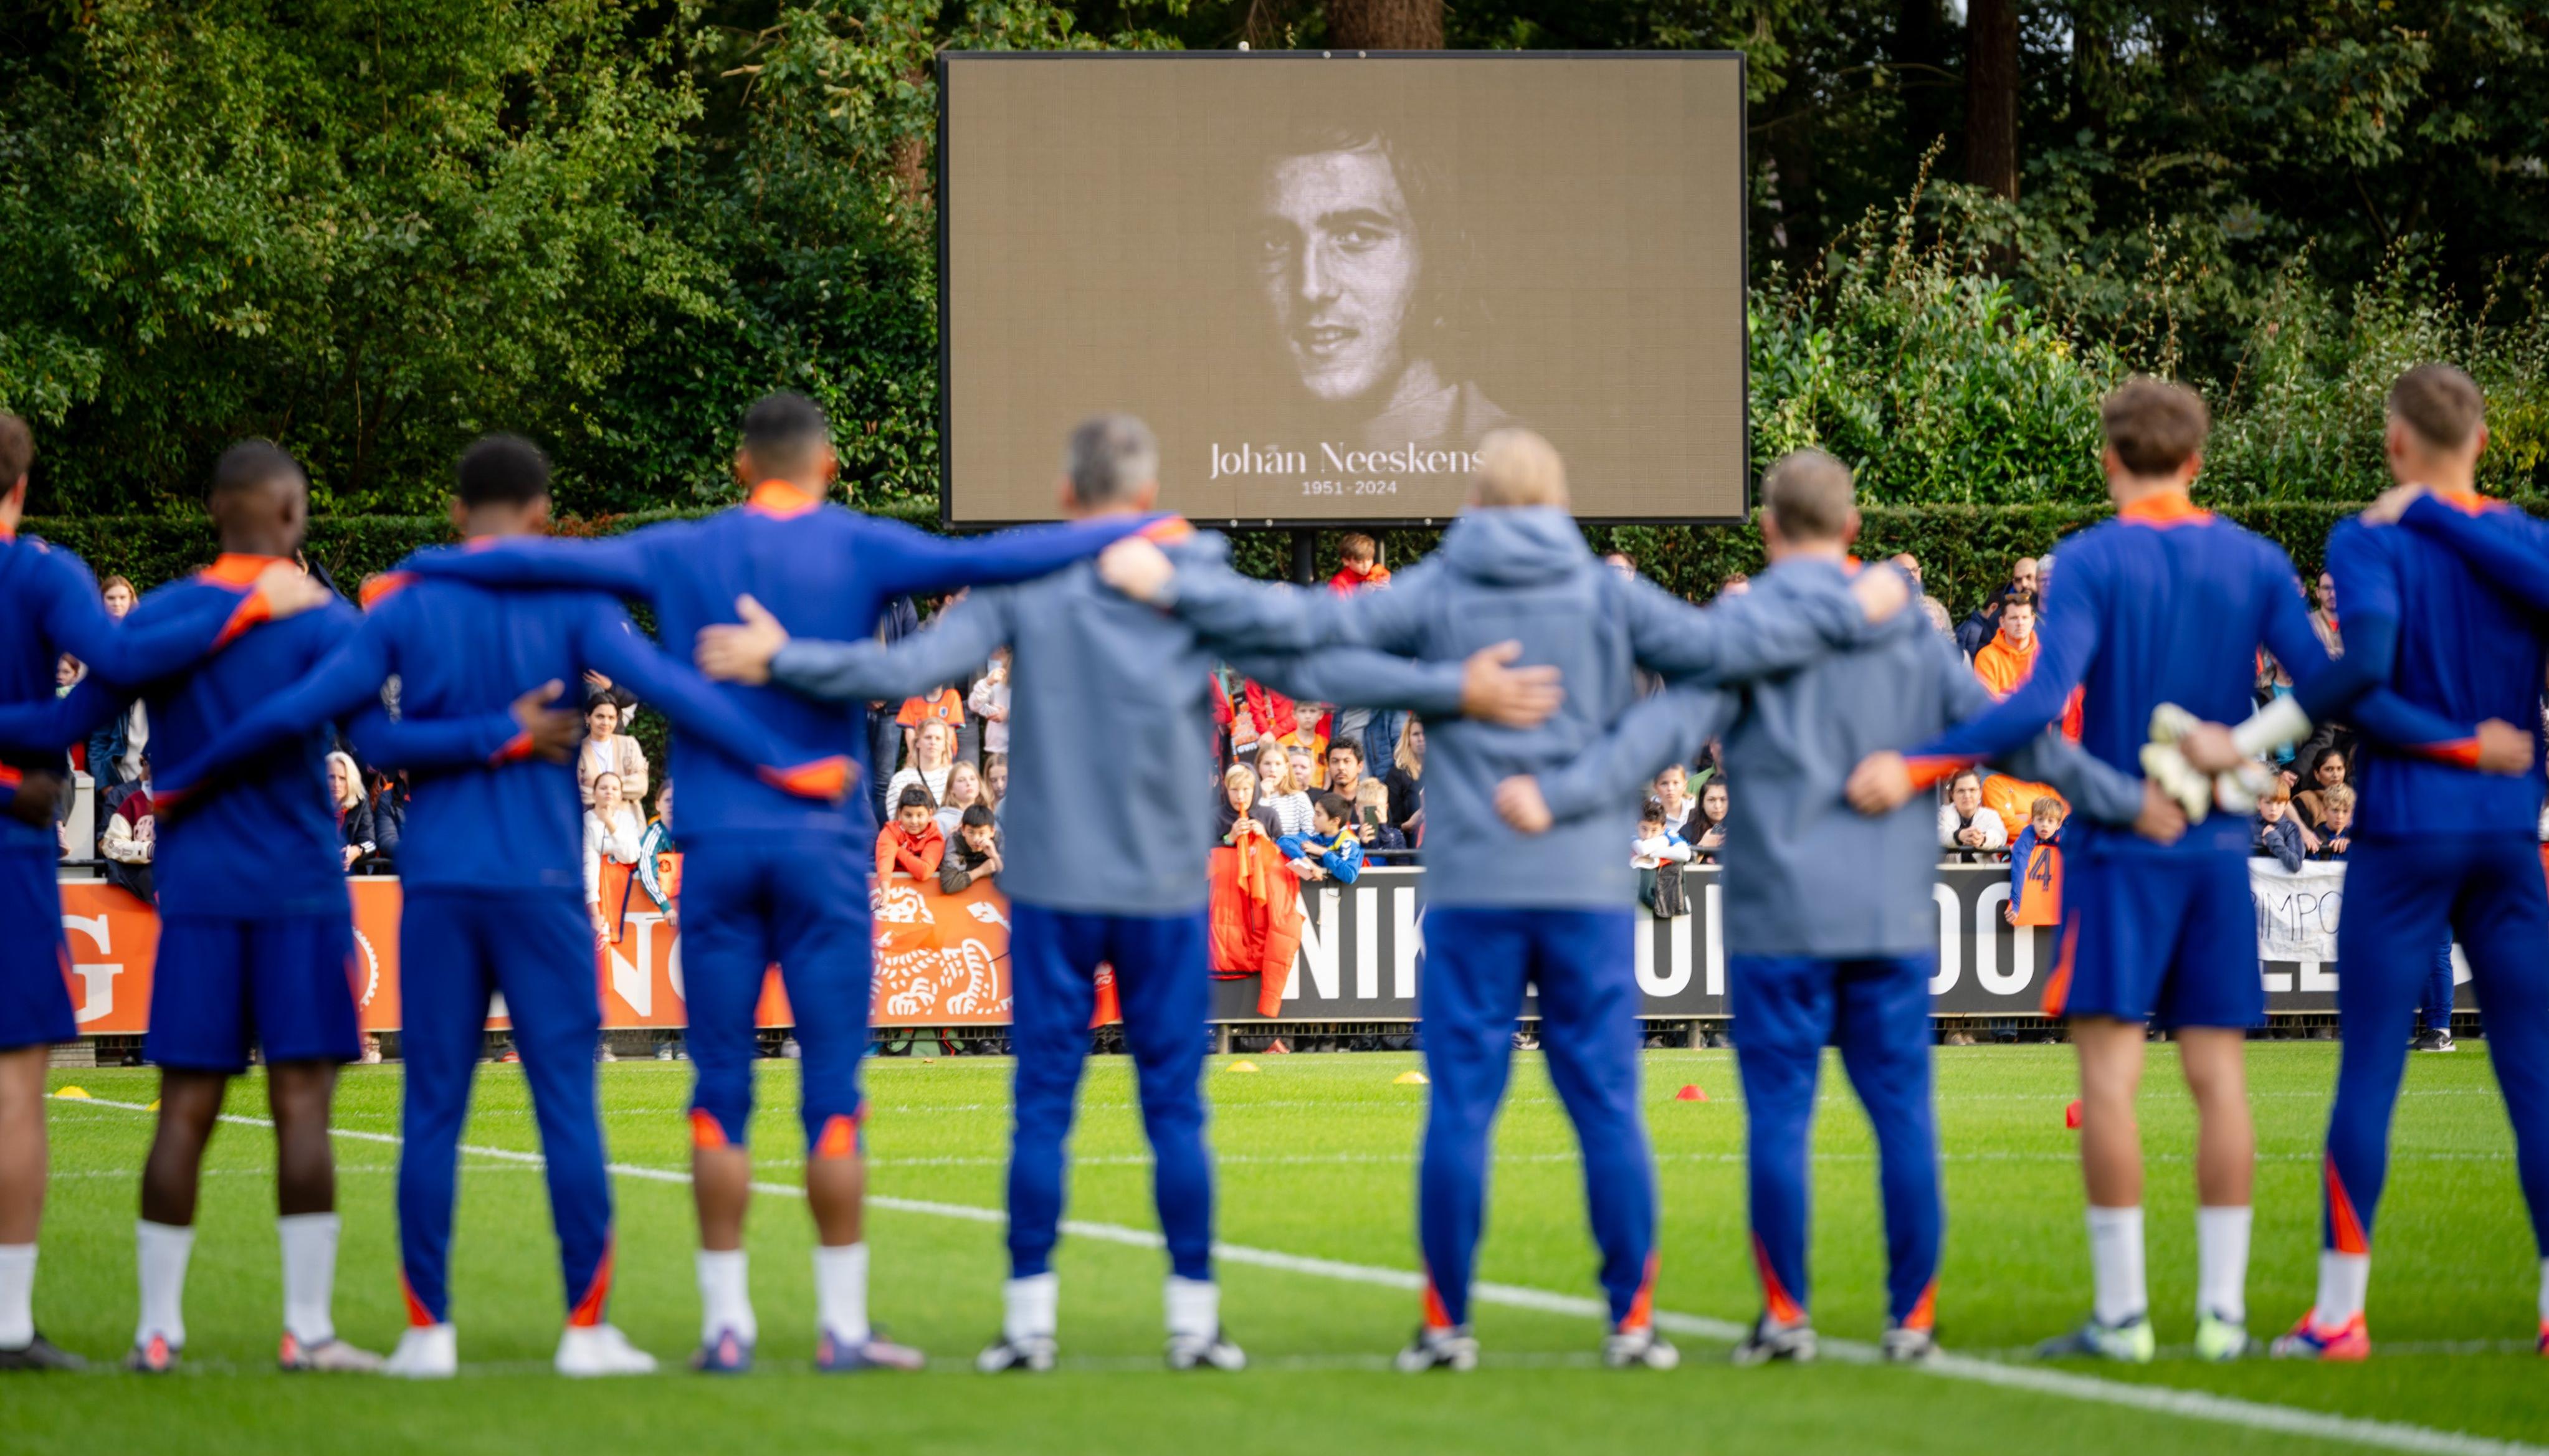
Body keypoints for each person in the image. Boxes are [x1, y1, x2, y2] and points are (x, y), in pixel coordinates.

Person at [693, 413, 1556, 1374]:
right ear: (1146, 495)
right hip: (1157, 884)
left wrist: (783, 659)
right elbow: (1311, 665)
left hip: (1053, 884)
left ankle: (1028, 1326)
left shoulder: (1028, 573)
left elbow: (906, 672)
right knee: (1174, 1109)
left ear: (1066, 498)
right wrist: (1452, 688)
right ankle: (1193, 1324)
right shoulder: (1184, 573)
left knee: (1042, 1106)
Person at [1098, 426, 1912, 1373]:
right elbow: (1728, 645)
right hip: (1585, 891)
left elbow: (1303, 645)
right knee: (1607, 1107)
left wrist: (1182, 584)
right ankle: (1631, 1325)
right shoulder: (1603, 592)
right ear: (1559, 504)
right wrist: (1866, 597)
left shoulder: (1441, 587)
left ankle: (1446, 1330)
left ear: (1477, 507)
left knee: (1460, 1110)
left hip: (1472, 888)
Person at [397, 393, 1155, 1376]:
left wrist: (425, 569)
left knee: (718, 1091)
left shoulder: (682, 550)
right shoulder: (860, 544)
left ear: (739, 463)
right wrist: (1134, 527)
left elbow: (549, 558)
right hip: (824, 848)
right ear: (829, 464)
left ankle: (727, 1326)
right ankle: (840, 1328)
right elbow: (986, 560)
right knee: (832, 1091)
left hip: (715, 847)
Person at [133, 434, 849, 1378]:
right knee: (567, 1109)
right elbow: (675, 689)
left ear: (454, 510)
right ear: (546, 517)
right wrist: (787, 763)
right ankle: (583, 1333)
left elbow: (356, 727)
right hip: (542, 888)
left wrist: (185, 777)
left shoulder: (407, 602)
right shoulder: (566, 600)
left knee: (432, 1109)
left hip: (435, 882)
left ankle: (428, 1335)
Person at [1495, 447, 2168, 1368]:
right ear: (1851, 530)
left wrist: (1558, 793)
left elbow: (1654, 731)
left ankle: (1786, 1317)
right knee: (1900, 1117)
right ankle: (1911, 1322)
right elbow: (2017, 736)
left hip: (1776, 917)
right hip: (1889, 914)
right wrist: (2125, 799)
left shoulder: (1744, 625)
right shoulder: (1905, 630)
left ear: (1768, 531)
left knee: (1778, 1120)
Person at [1843, 377, 2456, 1364]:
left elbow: (2035, 702)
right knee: (2218, 1080)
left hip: (2118, 846)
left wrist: (1919, 760)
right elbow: (2337, 678)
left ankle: (2122, 1317)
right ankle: (2219, 1318)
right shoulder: (2253, 560)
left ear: (2106, 460)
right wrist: (2278, 738)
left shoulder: (2087, 559)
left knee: (2111, 1082)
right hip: (2215, 847)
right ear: (2198, 460)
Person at [0, 416, 338, 1373]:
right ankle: (307, 1332)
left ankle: (158, 1332)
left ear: (213, 516)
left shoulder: (159, 618)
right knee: (301, 1105)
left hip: (195, 887)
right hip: (303, 885)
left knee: (184, 1106)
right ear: (286, 511)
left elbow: (73, 715)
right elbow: (385, 739)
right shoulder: (321, 615)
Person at [2236, 364, 2549, 1359]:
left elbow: (2361, 671)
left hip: (2407, 830)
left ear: (2394, 444)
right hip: (2506, 831)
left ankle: (2337, 1316)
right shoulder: (2520, 536)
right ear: (2485, 444)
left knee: (2368, 1069)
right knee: (2533, 1077)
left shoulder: (2368, 538)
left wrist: (2418, 512)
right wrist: (2454, 513)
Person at [1248, 120, 1510, 455]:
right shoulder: (1250, 475)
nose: (1310, 288)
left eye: (1356, 236)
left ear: (1440, 260)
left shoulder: (1537, 480)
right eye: (1275, 243)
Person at [584, 771, 646, 941]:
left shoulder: (628, 820)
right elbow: (589, 865)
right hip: (595, 898)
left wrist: (610, 823)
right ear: (594, 793)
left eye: (614, 788)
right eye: (603, 788)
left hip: (626, 895)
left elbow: (631, 855)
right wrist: (595, 912)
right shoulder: (585, 822)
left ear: (621, 795)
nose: (609, 792)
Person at [1279, 792, 1366, 885]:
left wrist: (1323, 853)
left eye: (1319, 814)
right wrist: (1309, 863)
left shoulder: (1349, 842)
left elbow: (1349, 875)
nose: (1313, 819)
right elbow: (1283, 841)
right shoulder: (1313, 838)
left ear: (1335, 821)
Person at [2005, 797, 2067, 926]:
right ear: (2032, 821)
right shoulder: (2028, 833)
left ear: (2059, 825)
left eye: (2050, 821)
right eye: (2040, 820)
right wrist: (2016, 903)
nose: (2045, 825)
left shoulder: (2065, 835)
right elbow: (2019, 864)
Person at [576, 695, 647, 809]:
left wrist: (596, 786)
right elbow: (577, 794)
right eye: (600, 716)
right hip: (590, 821)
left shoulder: (630, 745)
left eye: (611, 717)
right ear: (587, 717)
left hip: (628, 821)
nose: (606, 722)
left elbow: (641, 787)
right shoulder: (577, 751)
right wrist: (622, 789)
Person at [1631, 800, 1693, 918]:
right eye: (1644, 829)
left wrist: (1655, 852)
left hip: (1665, 878)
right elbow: (1642, 849)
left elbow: (1685, 854)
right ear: (1636, 825)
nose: (1648, 835)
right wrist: (1663, 842)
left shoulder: (1668, 833)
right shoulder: (1632, 834)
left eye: (1654, 830)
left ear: (1663, 828)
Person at [875, 786, 946, 883]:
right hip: (895, 892)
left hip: (928, 895)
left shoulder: (935, 837)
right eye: (908, 815)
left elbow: (924, 872)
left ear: (930, 815)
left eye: (920, 815)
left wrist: (898, 850)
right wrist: (884, 888)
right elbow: (885, 866)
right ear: (900, 814)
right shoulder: (890, 831)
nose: (914, 821)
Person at [885, 718, 955, 816]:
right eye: (928, 737)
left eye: (938, 738)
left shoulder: (955, 777)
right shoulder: (900, 780)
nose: (933, 742)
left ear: (945, 745)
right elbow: (896, 821)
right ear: (917, 742)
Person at [1938, 768, 2008, 862]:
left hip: (1985, 874)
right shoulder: (1943, 813)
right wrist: (1959, 836)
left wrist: (1983, 839)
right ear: (1952, 794)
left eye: (1972, 790)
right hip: (1950, 874)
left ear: (1980, 793)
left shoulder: (1991, 815)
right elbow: (1939, 835)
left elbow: (2000, 836)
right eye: (1961, 791)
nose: (1967, 795)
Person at [636, 780, 680, 928]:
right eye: (667, 800)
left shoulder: (692, 831)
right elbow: (646, 869)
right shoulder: (654, 834)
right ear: (657, 805)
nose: (672, 804)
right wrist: (665, 906)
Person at [325, 750, 376, 872]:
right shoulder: (311, 805)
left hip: (352, 877)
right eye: (331, 777)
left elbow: (371, 843)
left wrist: (356, 850)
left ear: (351, 781)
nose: (336, 784)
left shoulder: (361, 804)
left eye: (342, 778)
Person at [938, 804, 1003, 894]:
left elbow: (1014, 881)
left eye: (982, 833)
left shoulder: (998, 841)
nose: (976, 839)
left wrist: (995, 856)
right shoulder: (955, 841)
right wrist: (981, 871)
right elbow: (948, 884)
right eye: (971, 833)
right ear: (963, 830)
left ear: (992, 832)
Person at [1255, 741, 1315, 838]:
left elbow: (1311, 833)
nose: (1273, 769)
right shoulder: (1249, 798)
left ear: (1286, 768)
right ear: (1259, 767)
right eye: (1267, 764)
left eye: (1278, 764)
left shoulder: (1299, 798)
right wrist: (1264, 798)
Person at [1217, 763, 1284, 847]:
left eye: (1246, 789)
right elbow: (1202, 852)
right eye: (1234, 789)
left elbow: (1283, 848)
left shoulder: (1269, 815)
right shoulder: (1215, 817)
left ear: (1255, 790)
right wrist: (1229, 839)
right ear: (1226, 791)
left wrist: (1265, 838)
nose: (1240, 796)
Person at [968, 648, 1011, 772]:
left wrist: (1008, 714)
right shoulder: (996, 674)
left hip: (1022, 748)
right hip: (997, 749)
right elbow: (975, 705)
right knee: (997, 788)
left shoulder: (1028, 675)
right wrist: (988, 683)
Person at [1384, 717, 1424, 840]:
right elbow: (1388, 824)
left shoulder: (1443, 771)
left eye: (1425, 733)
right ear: (1407, 739)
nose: (1421, 739)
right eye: (1416, 734)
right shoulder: (1397, 774)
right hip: (1408, 846)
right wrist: (1408, 826)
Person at [2252, 786, 2305, 872]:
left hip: (2277, 884)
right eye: (2268, 803)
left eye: (2279, 803)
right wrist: (2262, 841)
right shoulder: (2248, 824)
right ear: (2258, 803)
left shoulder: (2291, 828)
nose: (2273, 808)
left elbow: (2295, 865)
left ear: (2285, 805)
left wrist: (2273, 839)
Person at [935, 760, 983, 840]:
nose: (969, 783)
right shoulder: (939, 821)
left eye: (972, 779)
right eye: (961, 780)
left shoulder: (988, 817)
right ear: (951, 789)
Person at [2308, 784, 2355, 860]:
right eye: (2335, 810)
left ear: (2352, 813)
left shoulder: (2356, 838)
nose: (2340, 816)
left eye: (2345, 811)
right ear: (2325, 810)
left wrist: (2351, 844)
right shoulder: (2315, 838)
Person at [1689, 778, 1730, 863]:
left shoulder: (1743, 832)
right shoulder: (1687, 831)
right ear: (1702, 803)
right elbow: (1680, 871)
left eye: (1723, 800)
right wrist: (1702, 846)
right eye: (1711, 800)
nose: (1718, 806)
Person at [1653, 760, 1695, 837]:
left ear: (1685, 786)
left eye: (1676, 783)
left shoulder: (1697, 811)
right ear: (1655, 787)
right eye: (1664, 783)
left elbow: (1718, 828)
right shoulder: (1644, 813)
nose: (1670, 788)